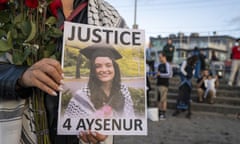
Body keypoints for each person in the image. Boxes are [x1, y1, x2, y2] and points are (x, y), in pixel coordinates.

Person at [0, 0, 127, 144]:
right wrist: (20, 76)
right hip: (27, 130)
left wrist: (107, 123)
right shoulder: (14, 8)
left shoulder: (108, 16)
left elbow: (122, 107)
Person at [64, 44, 135, 119]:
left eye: (108, 65)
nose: (104, 70)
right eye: (98, 66)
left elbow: (131, 119)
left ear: (115, 68)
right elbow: (69, 125)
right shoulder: (82, 97)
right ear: (93, 70)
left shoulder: (123, 90)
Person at [155, 52, 172, 120]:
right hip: (158, 83)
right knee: (158, 99)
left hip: (164, 84)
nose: (159, 58)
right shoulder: (159, 65)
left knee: (163, 100)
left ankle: (163, 114)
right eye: (159, 57)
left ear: (164, 57)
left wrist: (160, 74)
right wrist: (155, 75)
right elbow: (157, 73)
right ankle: (159, 112)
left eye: (160, 57)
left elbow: (169, 74)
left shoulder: (167, 65)